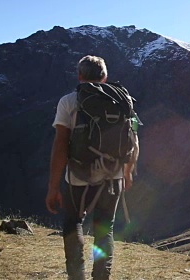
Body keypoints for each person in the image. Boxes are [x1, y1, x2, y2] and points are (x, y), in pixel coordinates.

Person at [45, 55, 136, 280]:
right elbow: (133, 140)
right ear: (104, 77)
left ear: (80, 76)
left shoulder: (69, 101)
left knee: (73, 222)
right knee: (105, 229)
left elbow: (60, 146)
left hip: (79, 176)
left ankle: (77, 276)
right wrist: (128, 171)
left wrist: (53, 187)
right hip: (113, 175)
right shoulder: (123, 100)